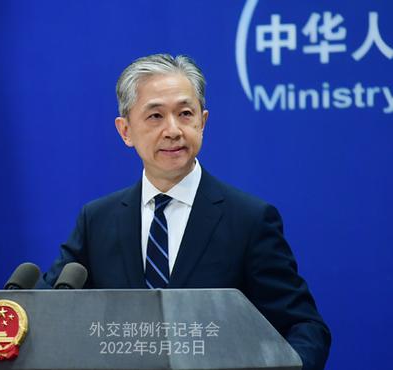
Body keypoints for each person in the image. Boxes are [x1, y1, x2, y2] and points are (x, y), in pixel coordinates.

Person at [37, 54, 331, 370]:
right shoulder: (97, 220)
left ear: (202, 121)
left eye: (185, 113)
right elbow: (46, 310)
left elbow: (304, 327)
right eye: (155, 117)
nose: (173, 130)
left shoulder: (249, 219)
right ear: (125, 131)